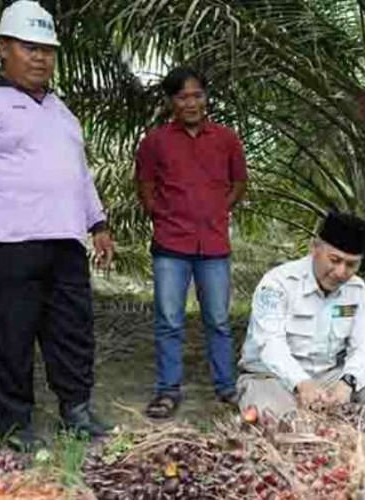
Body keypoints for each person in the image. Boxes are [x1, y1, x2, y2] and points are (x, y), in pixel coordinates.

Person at [0, 0, 114, 450]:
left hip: (64, 241)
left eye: (48, 48)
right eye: (30, 47)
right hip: (4, 243)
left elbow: (80, 175)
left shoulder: (61, 111)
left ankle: (77, 411)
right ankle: (14, 423)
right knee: (8, 335)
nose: (41, 57)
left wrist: (98, 223)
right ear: (3, 48)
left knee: (72, 331)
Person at [135, 67, 248, 418]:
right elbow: (145, 188)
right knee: (169, 320)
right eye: (183, 96)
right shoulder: (155, 142)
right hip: (171, 245)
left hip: (214, 245)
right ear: (171, 101)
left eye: (197, 95)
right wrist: (165, 216)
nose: (191, 103)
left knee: (218, 319)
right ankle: (168, 391)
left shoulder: (227, 139)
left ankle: (226, 388)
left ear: (206, 97)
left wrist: (216, 210)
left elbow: (239, 183)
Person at [237, 212, 365, 418]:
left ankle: (329, 425)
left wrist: (347, 382)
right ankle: (311, 421)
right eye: (335, 260)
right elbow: (270, 345)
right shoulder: (278, 284)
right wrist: (301, 383)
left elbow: (364, 345)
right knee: (276, 415)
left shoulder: (356, 289)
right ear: (315, 247)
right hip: (271, 377)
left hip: (326, 377)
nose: (341, 272)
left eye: (351, 264)